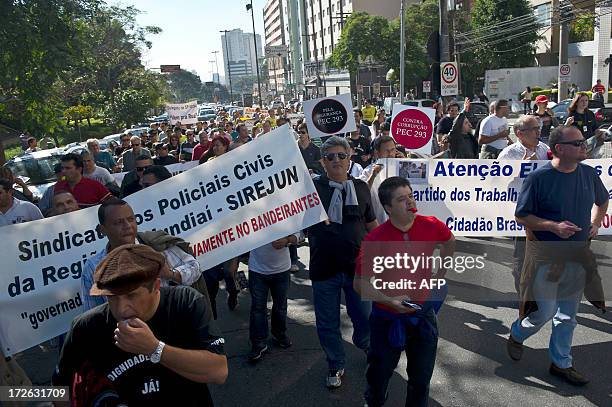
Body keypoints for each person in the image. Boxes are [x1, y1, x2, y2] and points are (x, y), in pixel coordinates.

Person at [54, 244, 227, 406]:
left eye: (131, 296)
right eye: (112, 297)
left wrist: (155, 349)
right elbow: (56, 390)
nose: (121, 309)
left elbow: (219, 372)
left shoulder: (185, 302)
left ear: (156, 286)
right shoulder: (85, 327)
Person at [507, 125, 608, 386]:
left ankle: (561, 363)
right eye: (577, 143)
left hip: (577, 255)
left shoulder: (588, 173)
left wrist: (595, 223)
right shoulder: (539, 178)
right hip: (546, 256)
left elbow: (603, 200)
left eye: (583, 142)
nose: (583, 146)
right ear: (559, 149)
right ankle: (518, 333)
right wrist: (554, 227)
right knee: (544, 312)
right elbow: (522, 215)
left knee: (568, 315)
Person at [355, 176, 455, 407]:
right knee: (379, 376)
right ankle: (374, 401)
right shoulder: (375, 239)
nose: (410, 201)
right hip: (386, 320)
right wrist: (389, 301)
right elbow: (360, 283)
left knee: (420, 381)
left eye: (410, 195)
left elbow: (450, 241)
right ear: (388, 208)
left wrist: (441, 271)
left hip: (422, 317)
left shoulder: (431, 224)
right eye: (402, 199)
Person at [308, 136, 378, 389]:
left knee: (364, 318)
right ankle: (335, 364)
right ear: (322, 162)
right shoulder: (311, 188)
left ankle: (366, 346)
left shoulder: (360, 188)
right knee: (327, 323)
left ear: (350, 159)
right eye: (330, 156)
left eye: (341, 155)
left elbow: (371, 225)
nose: (336, 160)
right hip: (323, 269)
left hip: (357, 269)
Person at [81, 198, 204, 311]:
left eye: (130, 219)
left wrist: (171, 274)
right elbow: (93, 312)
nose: (127, 226)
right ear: (103, 230)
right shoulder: (93, 267)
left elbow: (194, 267)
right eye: (118, 222)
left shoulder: (155, 246)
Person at [247, 232, 301, 362]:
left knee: (280, 306)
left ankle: (279, 334)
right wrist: (234, 262)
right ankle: (258, 342)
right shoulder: (247, 212)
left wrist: (287, 240)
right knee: (258, 308)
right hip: (257, 270)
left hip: (282, 270)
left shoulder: (283, 211)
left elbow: (299, 234)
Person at [359, 135, 397, 224]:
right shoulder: (368, 171)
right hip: (379, 222)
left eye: (393, 150)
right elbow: (362, 194)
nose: (391, 154)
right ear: (377, 152)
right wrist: (373, 175)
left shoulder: (401, 167)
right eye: (387, 151)